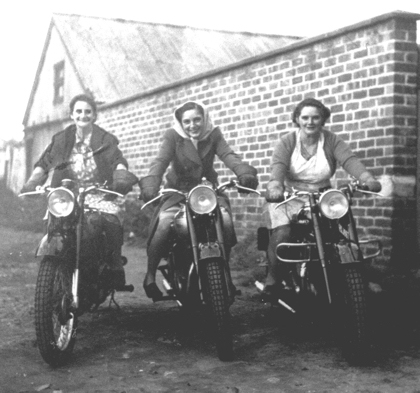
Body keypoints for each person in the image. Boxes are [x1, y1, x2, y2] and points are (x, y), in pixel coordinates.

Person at [262, 97, 381, 298]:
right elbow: (278, 167)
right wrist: (275, 186)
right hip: (290, 196)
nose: (310, 122)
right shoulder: (287, 142)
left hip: (323, 195)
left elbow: (349, 160)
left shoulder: (332, 141)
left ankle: (356, 273)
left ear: (323, 119)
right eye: (305, 117)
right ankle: (273, 281)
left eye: (315, 118)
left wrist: (367, 178)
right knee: (283, 234)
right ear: (297, 119)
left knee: (343, 230)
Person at [139, 101, 259, 300]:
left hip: (206, 191)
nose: (192, 125)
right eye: (187, 121)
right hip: (178, 191)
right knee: (164, 223)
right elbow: (160, 160)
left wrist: (243, 173)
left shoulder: (213, 134)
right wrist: (152, 183)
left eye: (197, 120)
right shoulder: (173, 136)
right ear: (180, 122)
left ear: (204, 119)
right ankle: (150, 275)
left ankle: (225, 272)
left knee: (226, 220)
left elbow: (228, 155)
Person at [21, 94, 138, 289]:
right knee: (53, 221)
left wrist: (120, 176)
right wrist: (33, 182)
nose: (83, 115)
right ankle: (58, 266)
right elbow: (44, 162)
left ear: (94, 115)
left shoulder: (105, 139)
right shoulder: (62, 139)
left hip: (99, 192)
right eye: (79, 111)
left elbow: (118, 161)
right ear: (72, 115)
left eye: (87, 112)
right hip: (67, 194)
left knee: (110, 220)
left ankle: (115, 263)